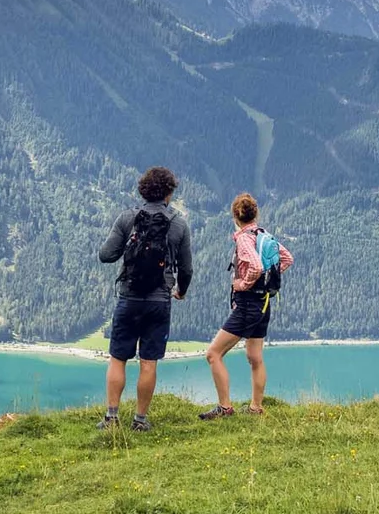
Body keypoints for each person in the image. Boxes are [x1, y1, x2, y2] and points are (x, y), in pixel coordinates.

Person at [97, 166, 192, 432]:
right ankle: (140, 420)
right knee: (148, 362)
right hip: (159, 300)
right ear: (169, 193)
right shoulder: (178, 223)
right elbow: (186, 268)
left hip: (129, 296)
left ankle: (112, 417)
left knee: (118, 358)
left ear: (143, 190)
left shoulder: (127, 218)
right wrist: (181, 291)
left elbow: (106, 255)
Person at [199, 192, 293, 420]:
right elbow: (287, 258)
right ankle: (255, 407)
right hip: (264, 302)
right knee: (254, 356)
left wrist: (243, 284)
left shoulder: (243, 238)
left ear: (235, 216)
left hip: (248, 304)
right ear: (255, 214)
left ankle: (224, 408)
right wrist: (265, 283)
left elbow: (255, 266)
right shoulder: (263, 234)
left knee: (213, 354)